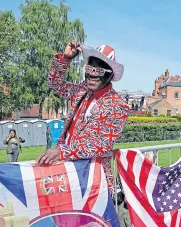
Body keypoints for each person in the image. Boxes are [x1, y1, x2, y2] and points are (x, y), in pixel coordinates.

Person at [36, 42, 129, 194]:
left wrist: (61, 151)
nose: (91, 75)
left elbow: (100, 145)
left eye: (98, 71)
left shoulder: (117, 105)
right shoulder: (82, 90)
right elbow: (55, 85)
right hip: (68, 173)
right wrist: (65, 59)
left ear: (110, 74)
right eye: (89, 69)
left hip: (94, 179)